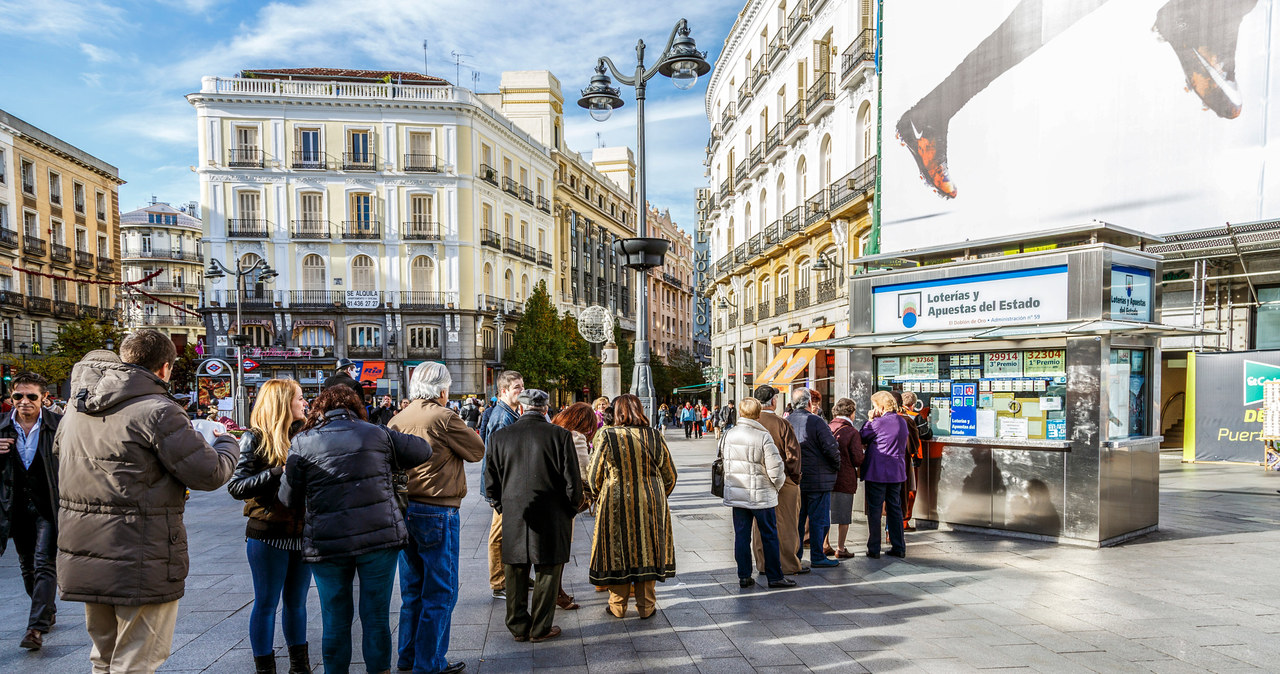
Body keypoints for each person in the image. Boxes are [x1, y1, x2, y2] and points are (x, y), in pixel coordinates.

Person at [57, 330, 239, 672]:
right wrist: (227, 441)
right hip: (140, 554)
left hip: (83, 550)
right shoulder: (158, 411)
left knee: (104, 658)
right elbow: (209, 473)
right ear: (165, 368)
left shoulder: (75, 410)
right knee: (137, 660)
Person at [278, 385, 433, 674]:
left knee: (335, 619)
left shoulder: (303, 442)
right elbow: (423, 450)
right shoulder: (377, 433)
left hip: (327, 544)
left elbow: (287, 498)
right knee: (376, 617)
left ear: (320, 409)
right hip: (379, 538)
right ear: (356, 407)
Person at [389, 362, 484, 674]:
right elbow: (477, 450)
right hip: (437, 508)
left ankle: (408, 656)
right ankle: (429, 663)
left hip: (405, 509)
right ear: (443, 389)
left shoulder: (398, 418)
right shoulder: (444, 417)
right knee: (441, 590)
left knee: (412, 589)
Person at [484, 389, 582, 643]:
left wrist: (501, 506)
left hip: (516, 512)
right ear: (546, 409)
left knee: (515, 568)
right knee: (548, 569)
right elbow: (573, 482)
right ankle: (540, 627)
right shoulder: (560, 435)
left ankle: (518, 626)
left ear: (520, 409)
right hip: (553, 512)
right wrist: (571, 508)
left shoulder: (499, 437)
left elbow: (490, 481)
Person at [227, 379, 312, 674]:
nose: (305, 403)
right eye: (300, 398)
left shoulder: (307, 435)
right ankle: (265, 668)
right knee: (266, 602)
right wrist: (278, 471)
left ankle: (300, 667)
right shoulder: (255, 438)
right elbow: (237, 487)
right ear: (282, 403)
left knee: (297, 603)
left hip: (303, 532)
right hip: (267, 533)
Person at [587, 395, 677, 619]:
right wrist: (656, 494)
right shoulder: (655, 435)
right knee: (648, 550)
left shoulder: (608, 435)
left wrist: (598, 493)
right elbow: (670, 475)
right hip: (652, 500)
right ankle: (646, 606)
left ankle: (617, 605)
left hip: (616, 500)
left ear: (616, 412)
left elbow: (592, 476)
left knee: (616, 549)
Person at [0, 372, 62, 651]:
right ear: (10, 398)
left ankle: (35, 629)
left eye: (31, 396)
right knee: (27, 566)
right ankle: (46, 610)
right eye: (18, 396)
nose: (24, 402)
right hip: (13, 507)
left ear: (44, 398)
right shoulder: (1, 427)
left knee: (44, 562)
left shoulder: (59, 426)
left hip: (47, 504)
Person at [720, 398, 794, 589]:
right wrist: (776, 486)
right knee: (769, 535)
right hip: (761, 495)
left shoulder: (728, 435)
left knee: (741, 536)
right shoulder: (762, 436)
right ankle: (774, 576)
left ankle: (744, 575)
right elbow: (776, 468)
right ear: (758, 414)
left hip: (738, 494)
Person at [750, 385, 807, 576]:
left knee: (760, 525)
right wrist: (794, 478)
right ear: (773, 401)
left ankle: (763, 563)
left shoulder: (749, 423)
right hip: (783, 479)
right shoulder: (781, 423)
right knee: (786, 523)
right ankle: (788, 564)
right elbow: (793, 455)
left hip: (756, 479)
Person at [550, 402, 600, 610]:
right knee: (559, 550)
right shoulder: (576, 436)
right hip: (563, 501)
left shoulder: (553, 429)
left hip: (542, 496)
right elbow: (583, 472)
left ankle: (554, 592)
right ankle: (555, 592)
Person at [481, 371, 524, 599]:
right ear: (504, 391)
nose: (521, 391)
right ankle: (498, 583)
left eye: (522, 386)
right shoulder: (502, 417)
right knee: (498, 535)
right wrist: (498, 493)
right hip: (502, 487)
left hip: (506, 485)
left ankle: (517, 577)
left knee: (509, 533)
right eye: (517, 387)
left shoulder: (511, 413)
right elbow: (497, 459)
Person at [789, 386, 841, 568]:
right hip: (818, 480)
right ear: (810, 403)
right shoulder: (816, 421)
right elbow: (831, 448)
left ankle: (796, 555)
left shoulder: (787, 421)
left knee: (798, 520)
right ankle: (818, 556)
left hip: (796, 478)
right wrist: (836, 466)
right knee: (819, 520)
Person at [860, 391, 910, 559]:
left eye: (874, 406)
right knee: (894, 509)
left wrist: (870, 419)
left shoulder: (878, 423)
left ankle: (874, 548)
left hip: (877, 471)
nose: (873, 409)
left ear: (880, 406)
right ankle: (899, 546)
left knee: (875, 510)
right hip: (896, 471)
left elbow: (863, 436)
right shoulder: (902, 422)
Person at [826, 398, 865, 559]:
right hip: (845, 478)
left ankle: (824, 544)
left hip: (827, 478)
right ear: (851, 412)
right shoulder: (852, 432)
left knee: (825, 514)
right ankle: (841, 548)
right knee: (843, 516)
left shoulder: (827, 427)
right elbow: (857, 459)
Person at [900, 391, 930, 531]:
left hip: (897, 458)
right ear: (913, 404)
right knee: (911, 490)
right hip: (912, 458)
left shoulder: (895, 415)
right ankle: (905, 521)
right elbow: (926, 434)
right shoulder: (915, 417)